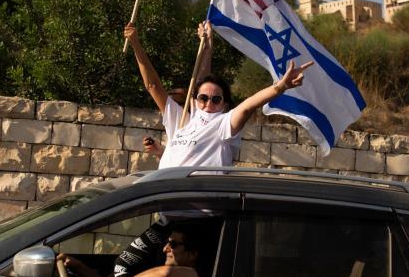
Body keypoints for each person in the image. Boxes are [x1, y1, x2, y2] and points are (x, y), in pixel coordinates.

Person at [124, 21, 313, 169]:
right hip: (166, 202)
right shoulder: (181, 122)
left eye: (216, 99)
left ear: (225, 104)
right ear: (195, 100)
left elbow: (248, 106)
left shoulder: (222, 125)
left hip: (197, 206)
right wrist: (135, 44)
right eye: (203, 98)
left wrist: (280, 86)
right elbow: (153, 86)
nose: (208, 103)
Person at [130, 224, 201, 277]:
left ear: (193, 254)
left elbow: (166, 273)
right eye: (167, 243)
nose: (165, 249)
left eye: (173, 244)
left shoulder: (201, 273)